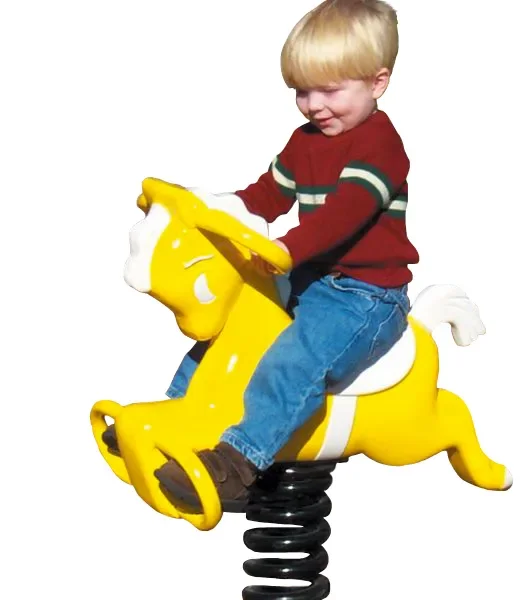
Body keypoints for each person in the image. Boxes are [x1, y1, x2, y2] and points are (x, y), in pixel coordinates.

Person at [155, 0, 419, 509]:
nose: (313, 105)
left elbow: (343, 215)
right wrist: (214, 209)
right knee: (228, 329)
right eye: (301, 91)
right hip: (311, 277)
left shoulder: (381, 146)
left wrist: (286, 248)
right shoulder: (304, 141)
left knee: (294, 360)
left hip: (365, 296)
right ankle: (177, 415)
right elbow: (267, 195)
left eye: (330, 90)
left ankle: (238, 463)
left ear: (378, 83)